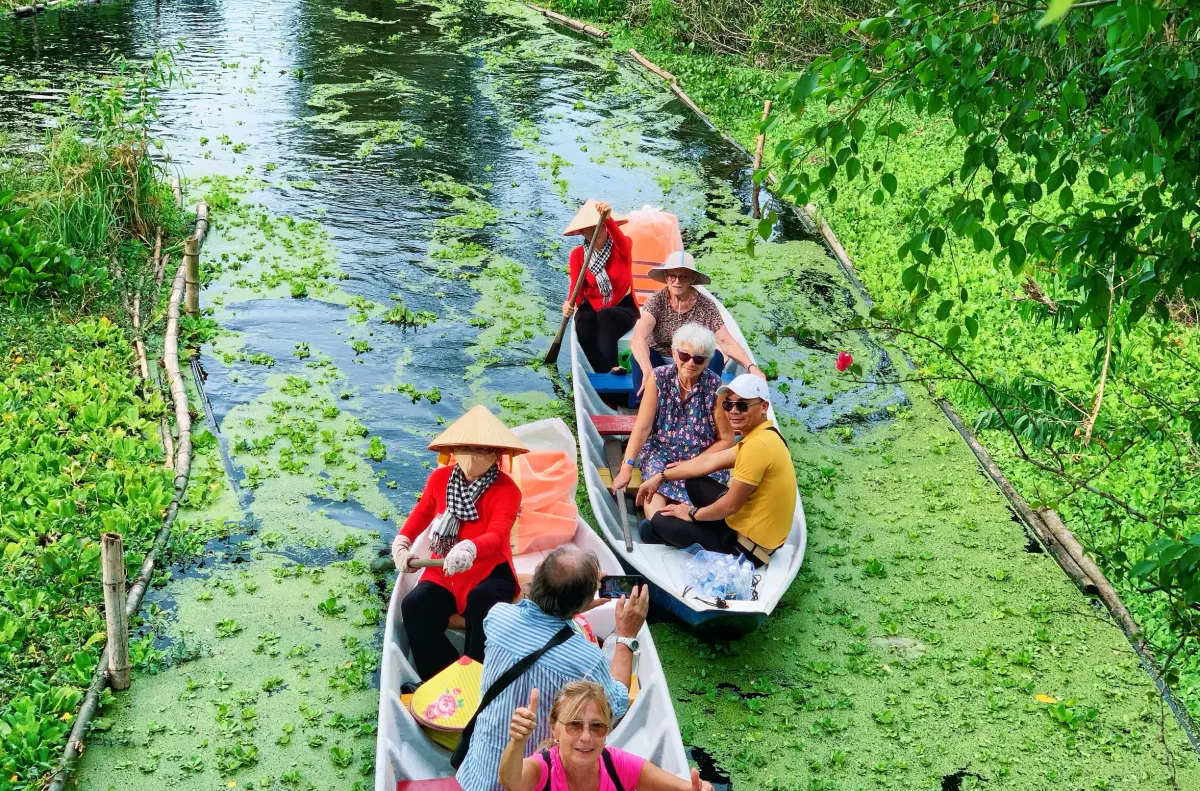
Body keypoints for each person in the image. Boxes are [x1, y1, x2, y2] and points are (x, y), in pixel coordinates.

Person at [457, 548, 649, 791]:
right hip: (536, 782)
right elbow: (616, 705)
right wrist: (626, 636)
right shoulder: (587, 660)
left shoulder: (497, 617)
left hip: (478, 778)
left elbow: (528, 611)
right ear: (582, 601)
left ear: (537, 581)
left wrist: (571, 604)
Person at [392, 406, 530, 680]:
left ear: (496, 454)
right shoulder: (439, 479)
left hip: (489, 569)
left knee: (482, 602)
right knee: (414, 606)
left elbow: (497, 535)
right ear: (455, 449)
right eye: (467, 447)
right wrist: (403, 541)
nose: (474, 455)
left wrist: (470, 547)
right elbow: (422, 513)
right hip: (444, 570)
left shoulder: (507, 490)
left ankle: (478, 674)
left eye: (483, 449)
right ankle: (441, 676)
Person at [637, 374, 796, 568]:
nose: (734, 411)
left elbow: (730, 505)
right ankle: (698, 527)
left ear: (764, 407)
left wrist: (692, 513)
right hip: (743, 525)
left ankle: (668, 534)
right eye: (729, 405)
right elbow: (708, 462)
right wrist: (661, 476)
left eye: (742, 405)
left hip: (747, 550)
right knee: (694, 481)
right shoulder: (766, 435)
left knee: (660, 522)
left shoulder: (758, 447)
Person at [610, 323, 733, 520]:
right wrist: (626, 467)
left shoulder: (716, 388)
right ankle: (658, 523)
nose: (691, 363)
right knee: (654, 484)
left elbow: (726, 439)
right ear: (674, 354)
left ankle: (685, 520)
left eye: (699, 359)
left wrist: (693, 464)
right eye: (684, 355)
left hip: (701, 457)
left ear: (707, 361)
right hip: (662, 452)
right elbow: (643, 427)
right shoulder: (658, 378)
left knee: (697, 492)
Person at [500, 681, 715, 791]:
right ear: (554, 728)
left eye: (597, 727)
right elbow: (511, 780)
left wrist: (700, 788)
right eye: (574, 725)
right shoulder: (543, 770)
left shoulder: (617, 765)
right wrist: (518, 742)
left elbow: (683, 787)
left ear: (607, 732)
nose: (586, 736)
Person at [630, 251, 764, 396]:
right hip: (660, 360)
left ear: (692, 279)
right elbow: (638, 338)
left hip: (692, 363)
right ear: (666, 277)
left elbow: (727, 342)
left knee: (716, 356)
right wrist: (648, 371)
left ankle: (702, 400)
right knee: (638, 356)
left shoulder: (705, 305)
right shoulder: (656, 301)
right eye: (672, 276)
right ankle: (645, 403)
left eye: (683, 276)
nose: (677, 281)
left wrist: (751, 367)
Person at [562, 199, 639, 374]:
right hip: (594, 305)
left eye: (601, 225)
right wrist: (569, 304)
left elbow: (622, 243)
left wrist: (609, 219)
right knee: (583, 320)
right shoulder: (577, 255)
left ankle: (611, 368)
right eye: (591, 227)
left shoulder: (622, 246)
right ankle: (594, 368)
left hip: (623, 306)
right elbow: (577, 290)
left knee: (605, 316)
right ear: (582, 232)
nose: (598, 230)